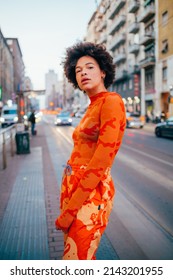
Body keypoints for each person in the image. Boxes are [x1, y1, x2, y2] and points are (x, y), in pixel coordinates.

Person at [55, 42, 126, 260]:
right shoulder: (92, 106)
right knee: (80, 257)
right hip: (73, 186)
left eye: (90, 67)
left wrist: (69, 211)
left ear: (103, 71)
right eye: (77, 70)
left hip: (91, 191)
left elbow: (101, 163)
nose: (83, 72)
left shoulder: (111, 102)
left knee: (76, 261)